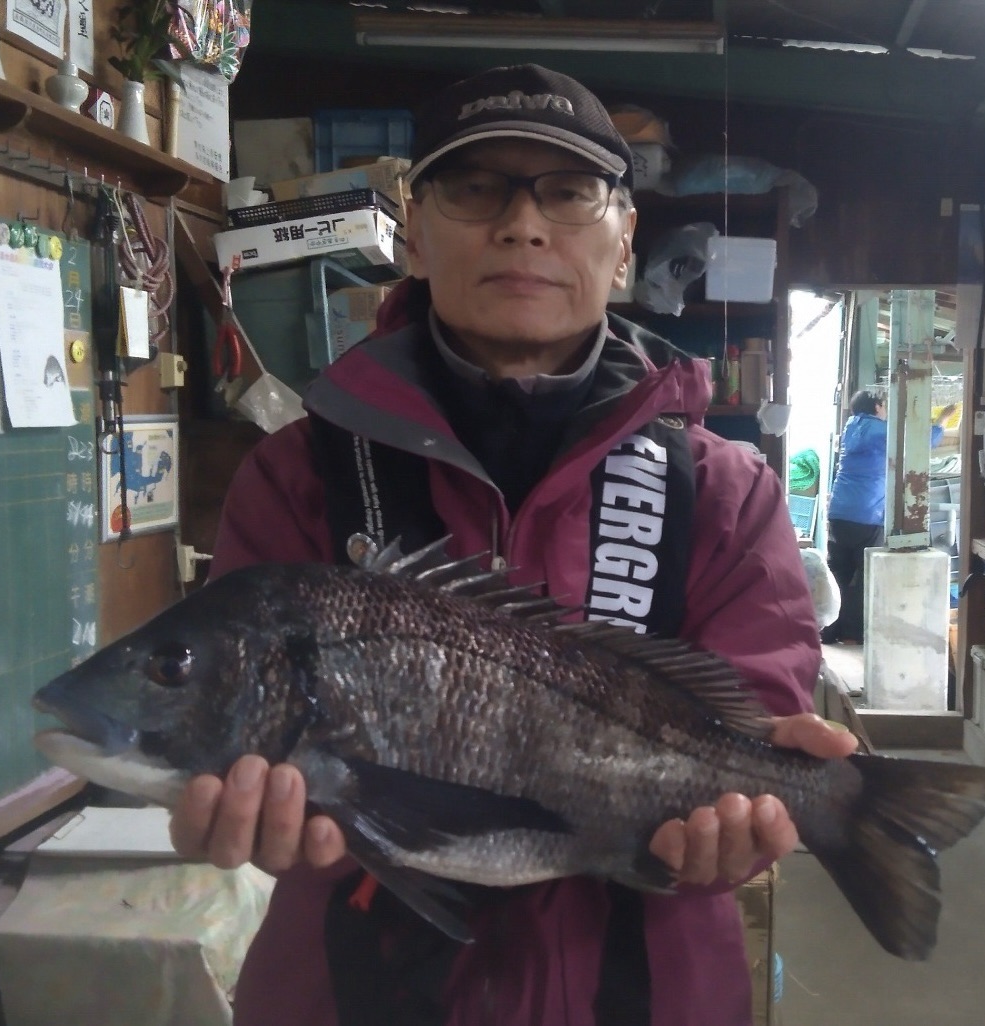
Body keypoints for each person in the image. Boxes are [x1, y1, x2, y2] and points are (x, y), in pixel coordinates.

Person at [170, 63, 857, 1026]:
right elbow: (246, 731)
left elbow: (754, 718)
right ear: (413, 231)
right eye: (475, 187)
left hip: (647, 994)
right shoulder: (295, 476)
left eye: (570, 193)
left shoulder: (725, 491)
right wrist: (251, 806)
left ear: (623, 245)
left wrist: (759, 807)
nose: (523, 225)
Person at [822, 389, 956, 644]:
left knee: (838, 572)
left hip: (839, 512)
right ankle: (856, 633)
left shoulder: (853, 427)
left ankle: (829, 630)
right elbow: (917, 443)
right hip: (866, 513)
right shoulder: (877, 430)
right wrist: (940, 423)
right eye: (885, 406)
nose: (886, 412)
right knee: (865, 575)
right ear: (877, 406)